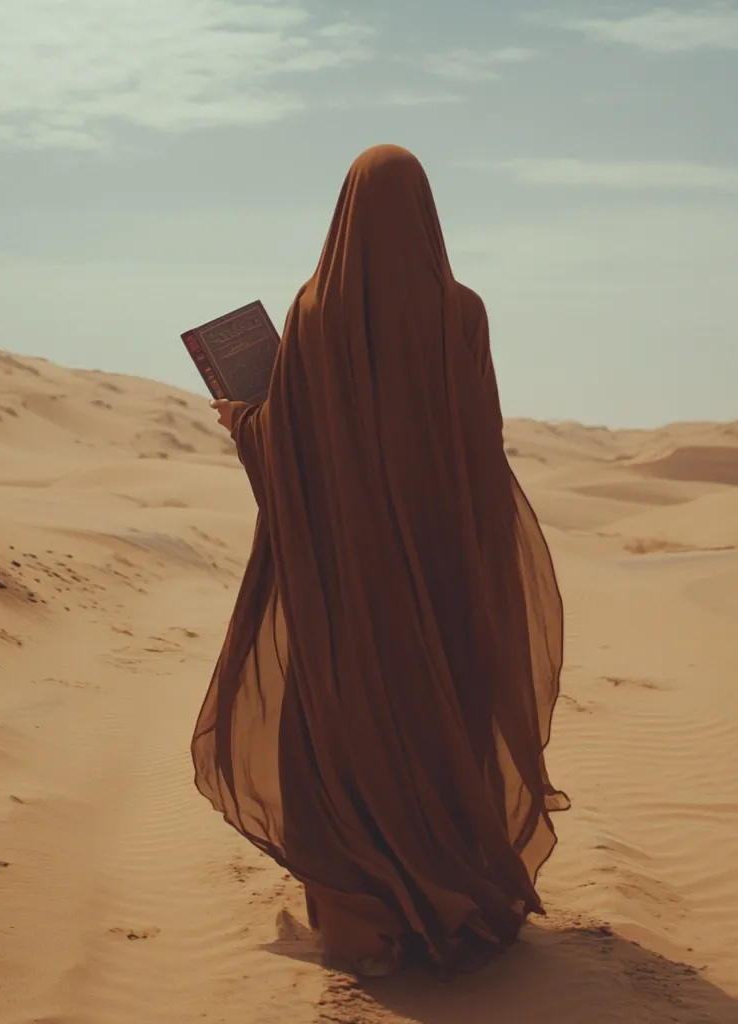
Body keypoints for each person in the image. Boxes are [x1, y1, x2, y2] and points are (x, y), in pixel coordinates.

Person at [192, 143, 569, 979]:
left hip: (346, 579)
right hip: (445, 567)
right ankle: (452, 895)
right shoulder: (461, 311)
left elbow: (292, 447)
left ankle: (362, 916)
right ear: (428, 217)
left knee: (344, 719)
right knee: (442, 720)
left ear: (345, 215)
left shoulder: (313, 313)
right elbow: (481, 445)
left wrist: (244, 420)